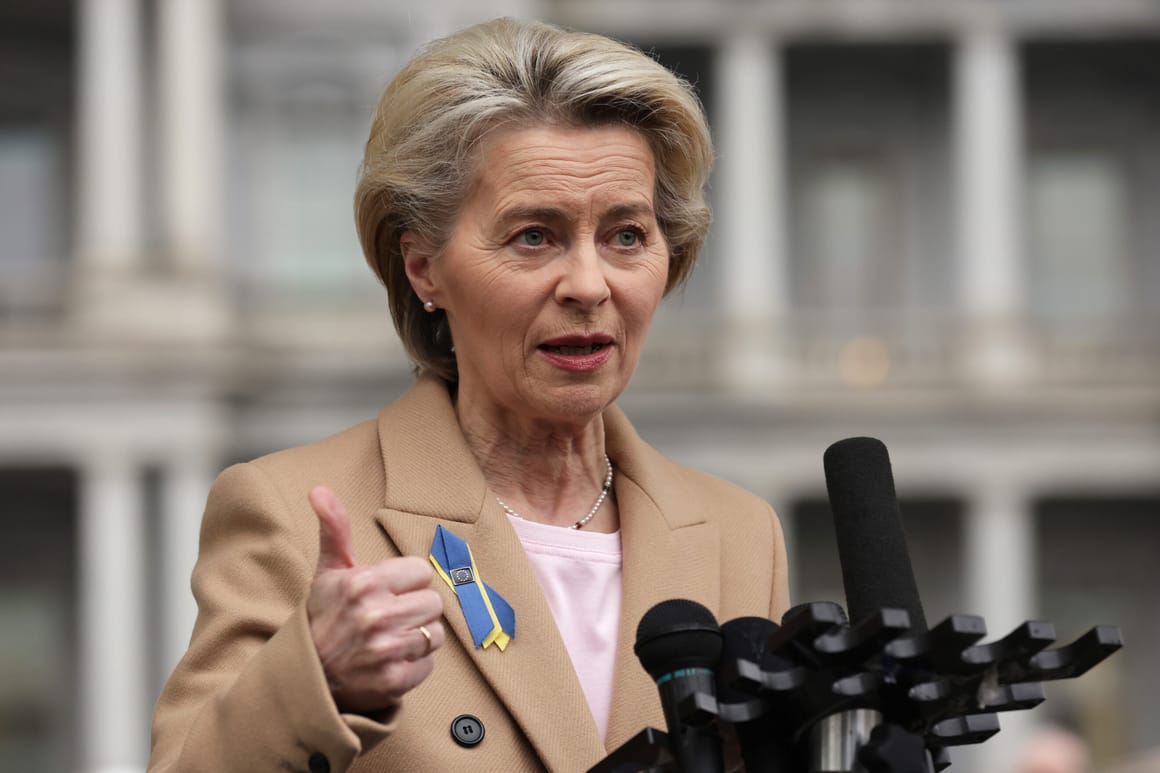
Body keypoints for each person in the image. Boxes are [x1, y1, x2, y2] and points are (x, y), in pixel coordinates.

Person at [149, 17, 790, 773]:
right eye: (533, 236)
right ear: (423, 267)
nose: (589, 285)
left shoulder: (740, 531)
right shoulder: (288, 510)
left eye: (625, 236)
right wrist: (312, 677)